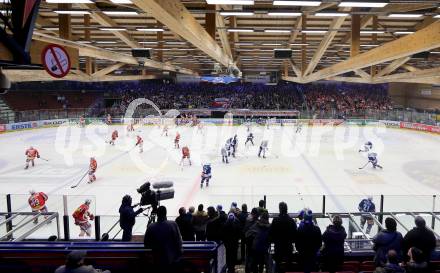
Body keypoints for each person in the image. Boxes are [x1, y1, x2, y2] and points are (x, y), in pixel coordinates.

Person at [144, 206, 183, 273]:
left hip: (157, 260)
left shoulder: (151, 227)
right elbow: (178, 240)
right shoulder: (173, 224)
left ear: (157, 214)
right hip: (171, 259)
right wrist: (179, 253)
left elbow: (146, 243)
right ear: (166, 213)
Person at [269, 202, 297, 273]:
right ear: (286, 209)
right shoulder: (291, 221)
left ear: (280, 209)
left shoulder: (275, 220)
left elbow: (271, 233)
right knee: (288, 266)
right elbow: (295, 234)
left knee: (277, 265)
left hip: (278, 247)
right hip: (288, 247)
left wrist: (275, 240)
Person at [244, 208, 259, 273]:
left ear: (252, 214)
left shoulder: (248, 221)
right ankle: (254, 270)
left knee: (248, 257)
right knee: (255, 258)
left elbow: (245, 231)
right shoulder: (258, 222)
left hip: (249, 242)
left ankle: (247, 270)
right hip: (255, 243)